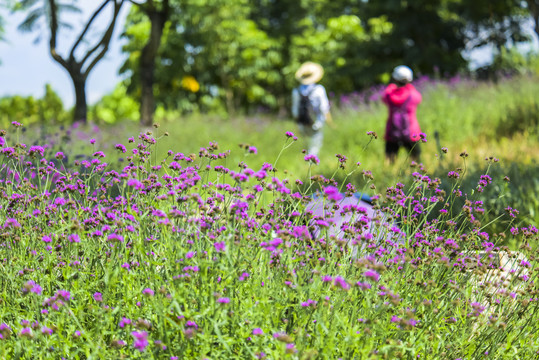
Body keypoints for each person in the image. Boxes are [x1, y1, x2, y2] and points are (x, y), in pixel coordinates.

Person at [291, 62, 333, 157]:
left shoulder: (296, 91)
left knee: (305, 145)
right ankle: (312, 165)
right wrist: (329, 121)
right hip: (316, 122)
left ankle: (306, 163)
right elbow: (324, 108)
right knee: (315, 146)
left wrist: (298, 123)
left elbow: (294, 110)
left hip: (302, 122)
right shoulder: (319, 89)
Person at [382, 65, 422, 163]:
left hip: (393, 131)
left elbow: (384, 98)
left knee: (390, 159)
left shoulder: (389, 95)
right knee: (416, 160)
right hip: (411, 131)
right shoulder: (413, 95)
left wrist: (391, 88)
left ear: (395, 79)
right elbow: (419, 99)